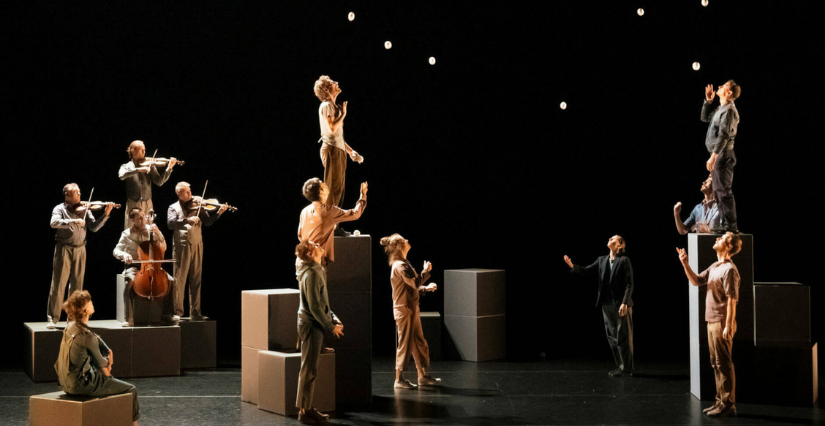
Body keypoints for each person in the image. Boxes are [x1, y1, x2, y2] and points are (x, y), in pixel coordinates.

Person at [676, 232, 742, 418]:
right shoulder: (716, 266)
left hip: (721, 321)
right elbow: (697, 281)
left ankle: (728, 404)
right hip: (711, 320)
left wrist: (728, 325)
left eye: (721, 238)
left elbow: (731, 300)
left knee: (724, 363)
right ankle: (720, 401)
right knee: (715, 363)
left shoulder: (729, 269)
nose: (717, 239)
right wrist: (685, 263)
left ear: (728, 246)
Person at [54, 290, 140, 425]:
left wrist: (107, 350)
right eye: (90, 302)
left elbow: (94, 339)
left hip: (65, 383)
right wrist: (109, 364)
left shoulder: (70, 327)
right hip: (80, 386)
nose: (92, 303)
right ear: (85, 310)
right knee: (131, 390)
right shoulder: (86, 336)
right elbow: (105, 372)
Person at [563, 235, 635, 377]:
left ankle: (627, 368)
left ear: (619, 245)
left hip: (621, 304)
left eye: (613, 238)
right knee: (612, 337)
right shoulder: (602, 260)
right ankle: (621, 366)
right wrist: (572, 266)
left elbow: (629, 283)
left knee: (623, 336)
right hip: (607, 304)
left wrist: (625, 303)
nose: (609, 238)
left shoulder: (624, 260)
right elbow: (586, 270)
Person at [47, 184, 113, 329]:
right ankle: (53, 318)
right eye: (76, 193)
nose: (79, 195)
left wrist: (105, 214)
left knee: (77, 286)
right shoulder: (59, 209)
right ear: (67, 195)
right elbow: (53, 223)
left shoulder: (84, 209)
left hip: (80, 249)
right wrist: (73, 221)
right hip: (64, 248)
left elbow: (94, 227)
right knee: (58, 284)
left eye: (79, 192)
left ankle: (73, 319)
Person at [379, 234, 440, 389]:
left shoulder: (403, 263)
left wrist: (425, 288)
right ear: (400, 246)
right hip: (405, 309)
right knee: (405, 344)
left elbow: (410, 287)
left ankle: (422, 376)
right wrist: (425, 272)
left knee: (418, 341)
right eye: (404, 240)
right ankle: (399, 380)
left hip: (410, 307)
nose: (407, 241)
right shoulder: (400, 265)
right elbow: (415, 282)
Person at [295, 239, 343, 424]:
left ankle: (306, 408)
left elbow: (321, 302)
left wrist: (332, 316)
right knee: (308, 370)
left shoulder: (316, 270)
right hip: (311, 325)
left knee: (310, 369)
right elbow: (314, 306)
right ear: (309, 254)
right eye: (314, 245)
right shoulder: (312, 273)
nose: (318, 245)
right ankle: (305, 412)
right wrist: (330, 326)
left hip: (313, 324)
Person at [167, 182, 228, 321]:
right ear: (179, 194)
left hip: (197, 244)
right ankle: (177, 312)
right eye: (186, 192)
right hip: (181, 246)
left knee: (196, 279)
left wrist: (219, 213)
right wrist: (186, 220)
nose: (190, 194)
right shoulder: (173, 207)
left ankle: (195, 312)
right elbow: (170, 224)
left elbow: (207, 222)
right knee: (180, 279)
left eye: (190, 191)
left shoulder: (198, 205)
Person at [313, 75, 364, 234]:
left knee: (339, 190)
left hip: (338, 150)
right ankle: (329, 229)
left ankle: (334, 227)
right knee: (333, 191)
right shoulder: (326, 105)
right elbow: (332, 129)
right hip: (332, 151)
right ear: (327, 90)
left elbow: (338, 136)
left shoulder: (332, 106)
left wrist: (350, 151)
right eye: (333, 83)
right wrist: (343, 114)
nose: (337, 83)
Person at [113, 208, 175, 326]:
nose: (142, 220)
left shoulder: (152, 230)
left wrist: (158, 233)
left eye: (143, 217)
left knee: (171, 280)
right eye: (139, 219)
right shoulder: (126, 233)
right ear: (132, 220)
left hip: (152, 265)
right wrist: (124, 255)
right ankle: (129, 318)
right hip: (135, 265)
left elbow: (164, 247)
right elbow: (116, 250)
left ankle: (167, 314)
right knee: (128, 281)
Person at [297, 178, 367, 266]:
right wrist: (363, 195)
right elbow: (355, 214)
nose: (326, 184)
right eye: (322, 184)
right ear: (321, 192)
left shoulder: (304, 211)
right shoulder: (329, 211)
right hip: (316, 261)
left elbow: (300, 235)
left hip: (302, 260)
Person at [701, 80, 741, 233]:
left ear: (729, 92)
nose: (719, 87)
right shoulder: (721, 108)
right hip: (718, 155)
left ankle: (731, 225)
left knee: (724, 191)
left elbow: (724, 136)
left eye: (723, 86)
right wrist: (708, 101)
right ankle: (725, 224)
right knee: (717, 191)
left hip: (723, 156)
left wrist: (713, 156)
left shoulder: (729, 110)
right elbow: (705, 118)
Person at [118, 140, 178, 229]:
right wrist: (138, 170)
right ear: (133, 151)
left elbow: (159, 182)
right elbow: (121, 176)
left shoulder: (149, 165)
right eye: (141, 149)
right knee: (131, 229)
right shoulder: (126, 166)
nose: (144, 152)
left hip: (147, 203)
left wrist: (169, 168)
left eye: (144, 150)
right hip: (133, 203)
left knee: (148, 229)